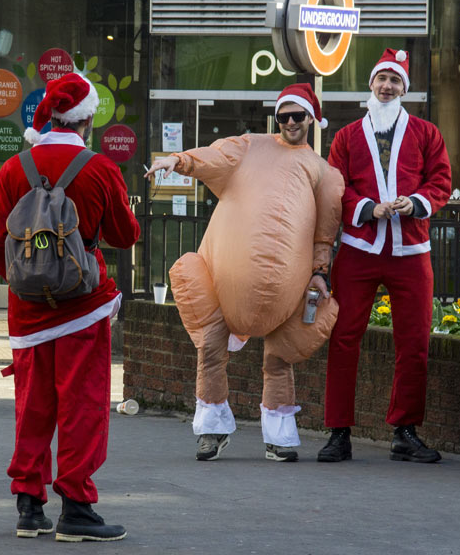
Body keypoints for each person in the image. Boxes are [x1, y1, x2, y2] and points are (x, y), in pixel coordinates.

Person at [145, 83, 344, 463]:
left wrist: (320, 272)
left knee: (278, 358)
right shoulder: (250, 145)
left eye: (297, 115)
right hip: (225, 278)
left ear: (311, 119)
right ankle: (211, 431)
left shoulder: (324, 173)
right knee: (211, 350)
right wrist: (179, 160)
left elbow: (324, 231)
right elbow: (212, 158)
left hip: (289, 287)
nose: (289, 122)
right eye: (282, 115)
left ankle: (280, 437)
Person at [0, 73, 140, 541]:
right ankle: (76, 506)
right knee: (82, 405)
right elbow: (124, 236)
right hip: (82, 308)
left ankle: (29, 507)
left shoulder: (15, 168)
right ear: (87, 118)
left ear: (48, 113)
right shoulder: (97, 168)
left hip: (27, 314)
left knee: (32, 406)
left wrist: (27, 284)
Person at [317, 48, 452, 464]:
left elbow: (441, 181)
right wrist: (366, 208)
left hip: (412, 250)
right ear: (371, 84)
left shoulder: (427, 133)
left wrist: (416, 202)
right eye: (382, 79)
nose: (387, 86)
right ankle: (338, 431)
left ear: (403, 89)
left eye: (395, 81)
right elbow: (336, 186)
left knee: (414, 343)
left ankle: (404, 431)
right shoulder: (347, 136)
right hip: (359, 249)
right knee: (344, 339)